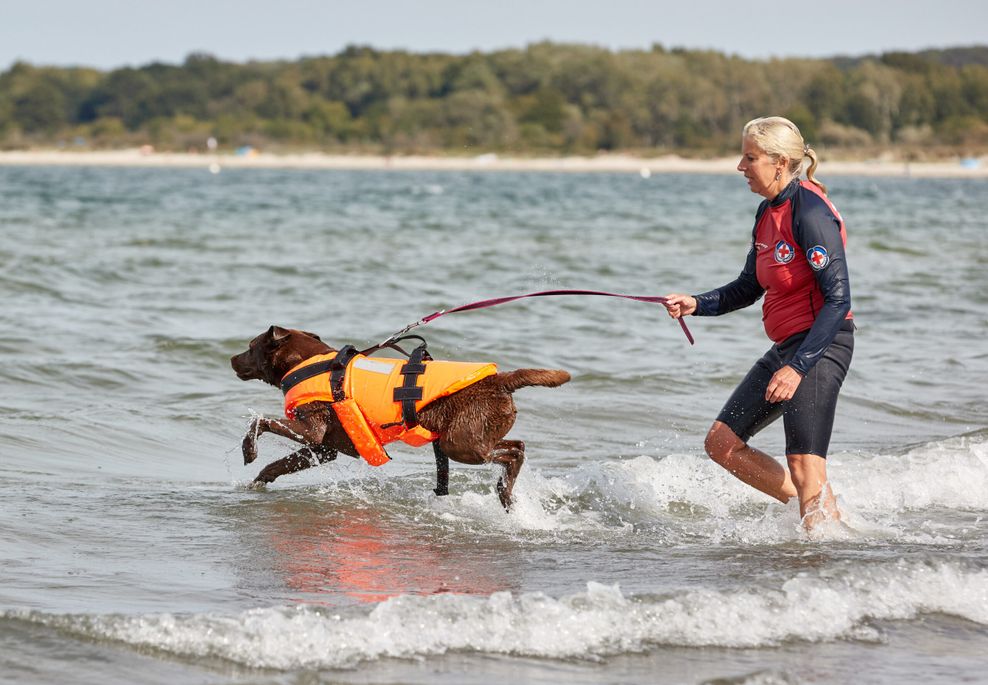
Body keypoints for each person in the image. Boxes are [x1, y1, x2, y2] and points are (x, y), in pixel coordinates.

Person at [663, 116, 854, 530]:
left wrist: (797, 367)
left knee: (804, 462)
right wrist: (697, 303)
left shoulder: (811, 211)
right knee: (722, 443)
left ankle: (819, 544)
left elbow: (839, 300)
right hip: (789, 345)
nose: (740, 166)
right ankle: (823, 515)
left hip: (821, 345)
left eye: (750, 157)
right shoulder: (768, 212)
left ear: (781, 162)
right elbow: (749, 286)